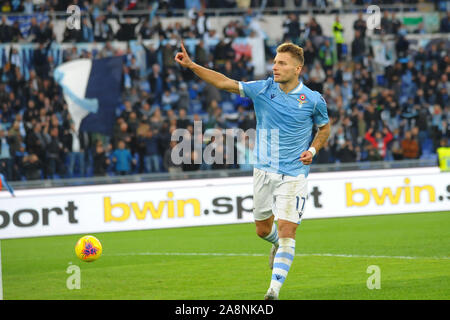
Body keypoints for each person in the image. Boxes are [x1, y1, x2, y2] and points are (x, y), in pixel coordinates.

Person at [174, 41, 330, 300]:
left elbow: (324, 128)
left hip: (294, 174)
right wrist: (191, 65)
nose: (275, 67)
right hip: (263, 171)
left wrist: (312, 150)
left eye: (282, 63)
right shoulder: (263, 89)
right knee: (261, 229)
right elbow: (224, 83)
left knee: (288, 230)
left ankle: (273, 291)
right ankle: (278, 246)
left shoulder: (313, 100)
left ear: (297, 68)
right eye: (275, 62)